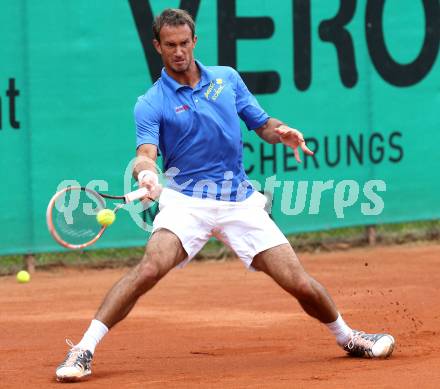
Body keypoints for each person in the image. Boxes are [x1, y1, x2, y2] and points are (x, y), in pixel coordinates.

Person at [55, 8, 395, 382]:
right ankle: (83, 348)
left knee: (297, 281)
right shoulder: (150, 102)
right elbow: (144, 155)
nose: (179, 51)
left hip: (239, 201)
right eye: (170, 45)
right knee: (150, 268)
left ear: (195, 41)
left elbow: (262, 125)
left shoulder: (227, 79)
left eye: (185, 43)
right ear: (157, 46)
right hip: (186, 202)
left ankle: (349, 338)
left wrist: (282, 132)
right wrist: (148, 175)